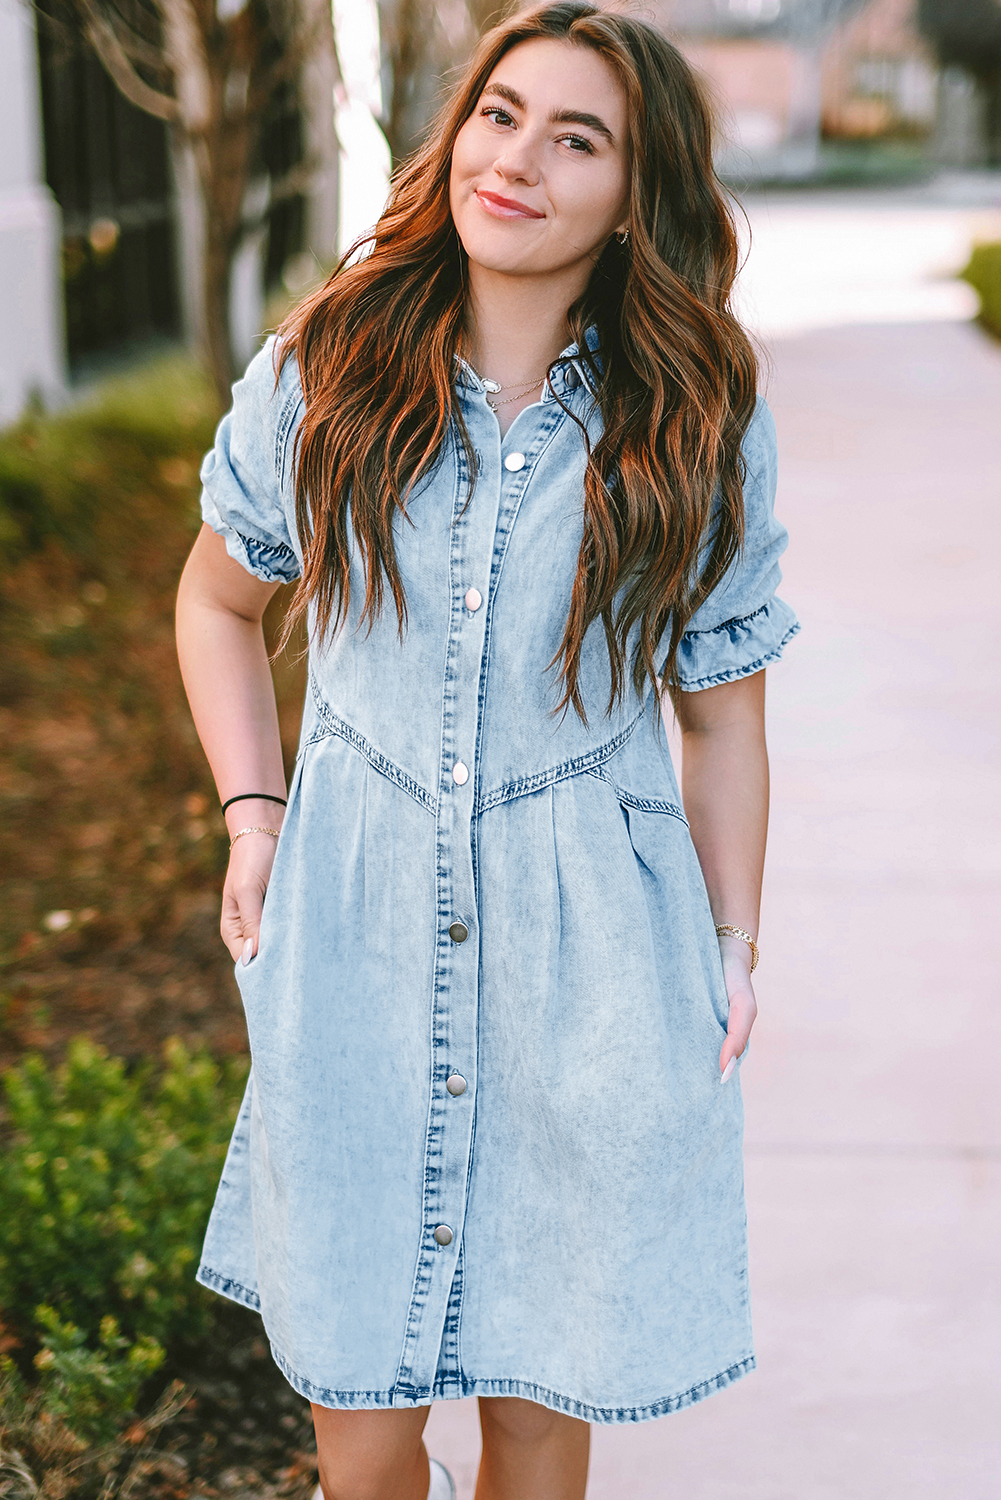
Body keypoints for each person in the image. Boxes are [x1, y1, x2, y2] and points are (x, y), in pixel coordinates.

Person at [175, 4, 799, 1497]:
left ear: (631, 192)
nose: (514, 158)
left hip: (590, 950)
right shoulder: (326, 367)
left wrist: (730, 939)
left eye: (573, 136)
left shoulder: (694, 415)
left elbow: (720, 712)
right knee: (361, 1416)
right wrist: (253, 817)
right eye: (499, 113)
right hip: (354, 933)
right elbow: (214, 598)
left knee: (534, 1406)